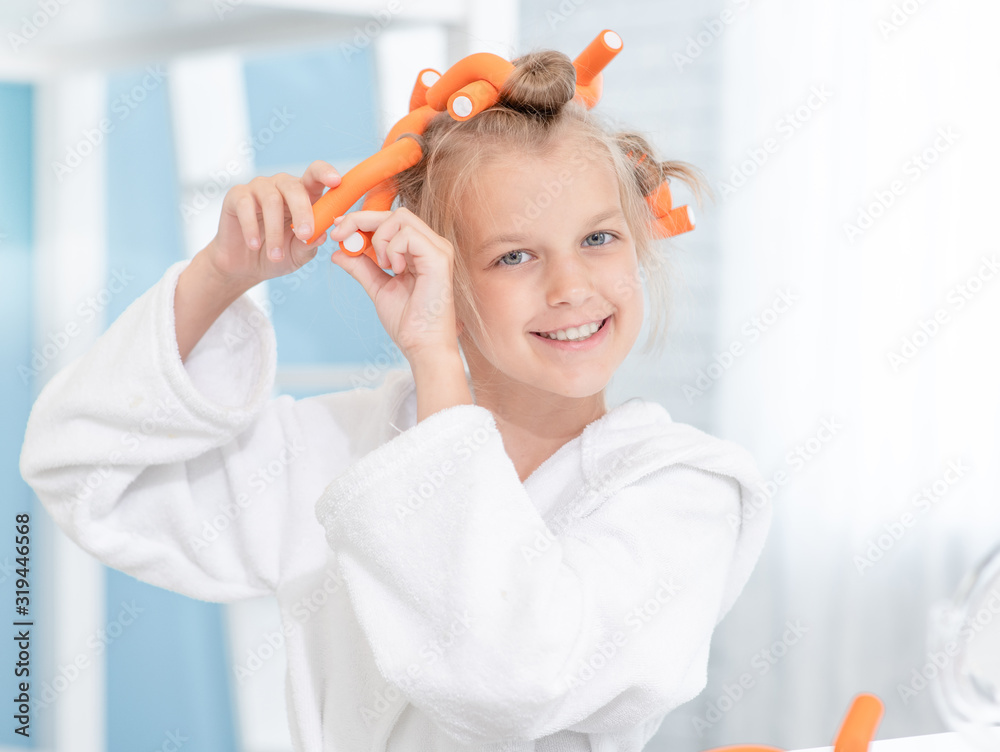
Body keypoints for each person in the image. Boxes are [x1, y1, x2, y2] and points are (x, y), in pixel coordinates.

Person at [20, 46, 772, 752]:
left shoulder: (684, 492)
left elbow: (510, 680)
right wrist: (222, 273)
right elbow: (85, 470)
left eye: (599, 239)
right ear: (434, 270)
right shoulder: (349, 451)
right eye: (514, 255)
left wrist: (438, 361)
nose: (571, 287)